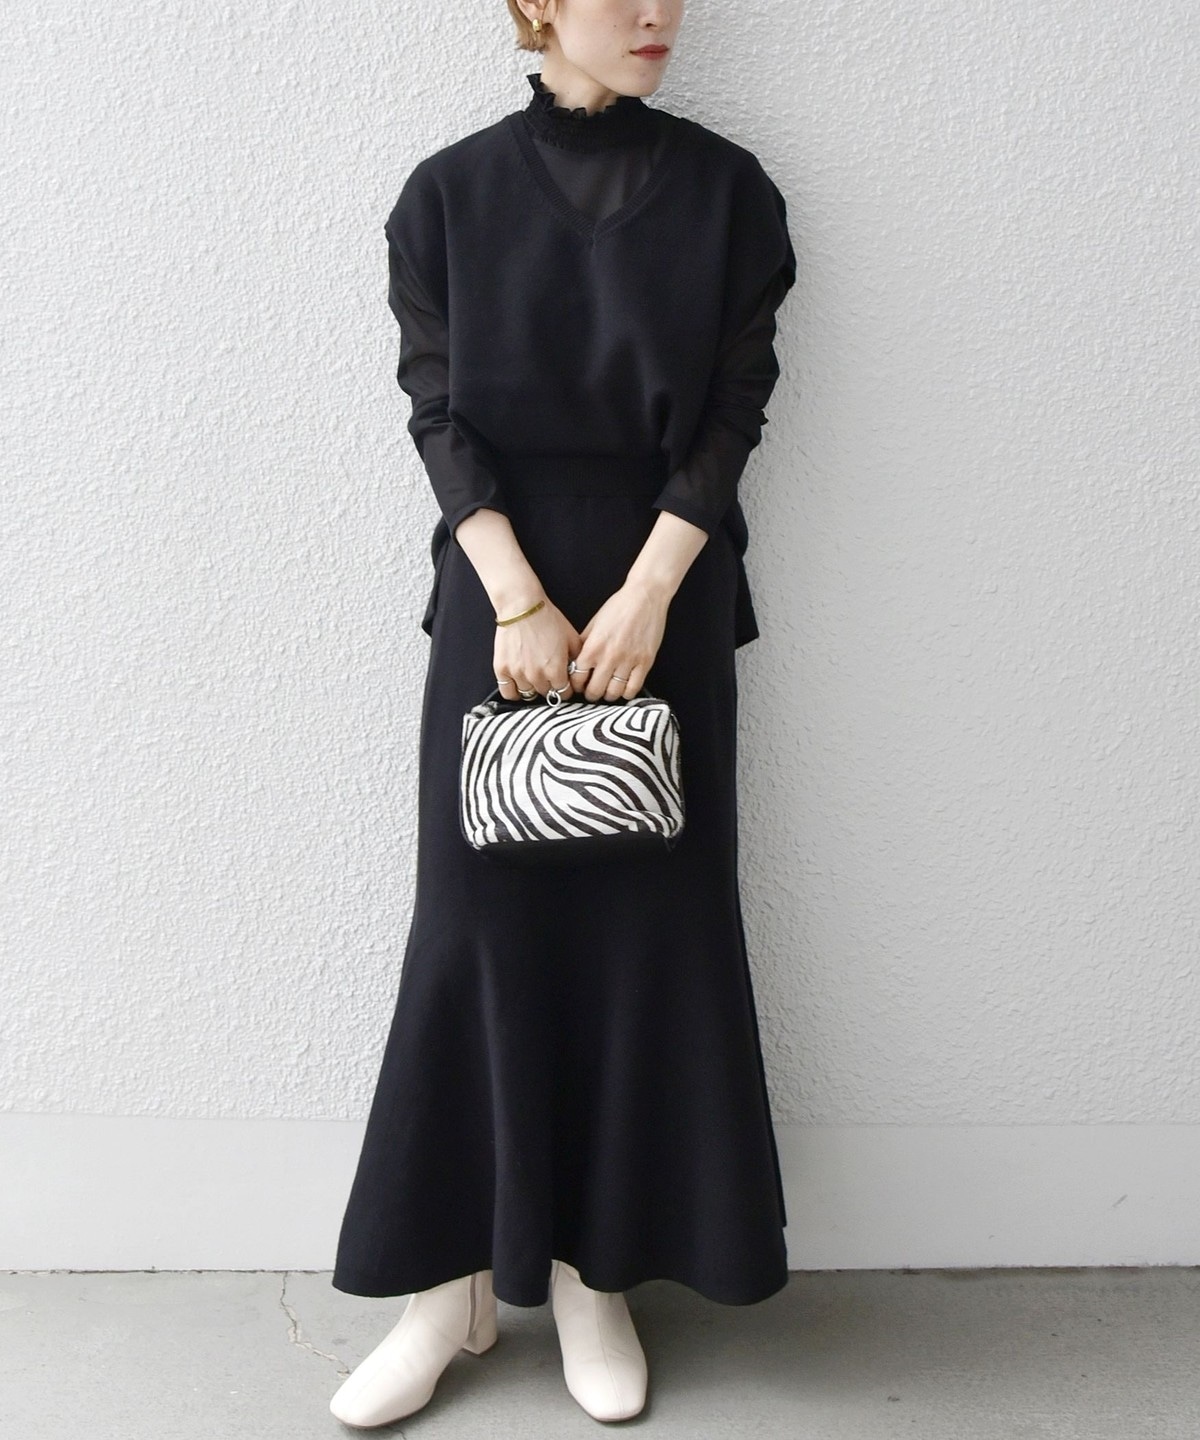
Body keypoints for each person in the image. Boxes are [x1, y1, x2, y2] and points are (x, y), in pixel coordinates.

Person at [329, 0, 797, 1426]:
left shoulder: (731, 194)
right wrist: (519, 599)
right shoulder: (446, 195)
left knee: (646, 935)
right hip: (498, 601)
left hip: (668, 597)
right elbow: (438, 412)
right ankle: (447, 1293)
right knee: (473, 934)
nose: (656, 15)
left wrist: (652, 593)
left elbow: (733, 412)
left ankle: (599, 1276)